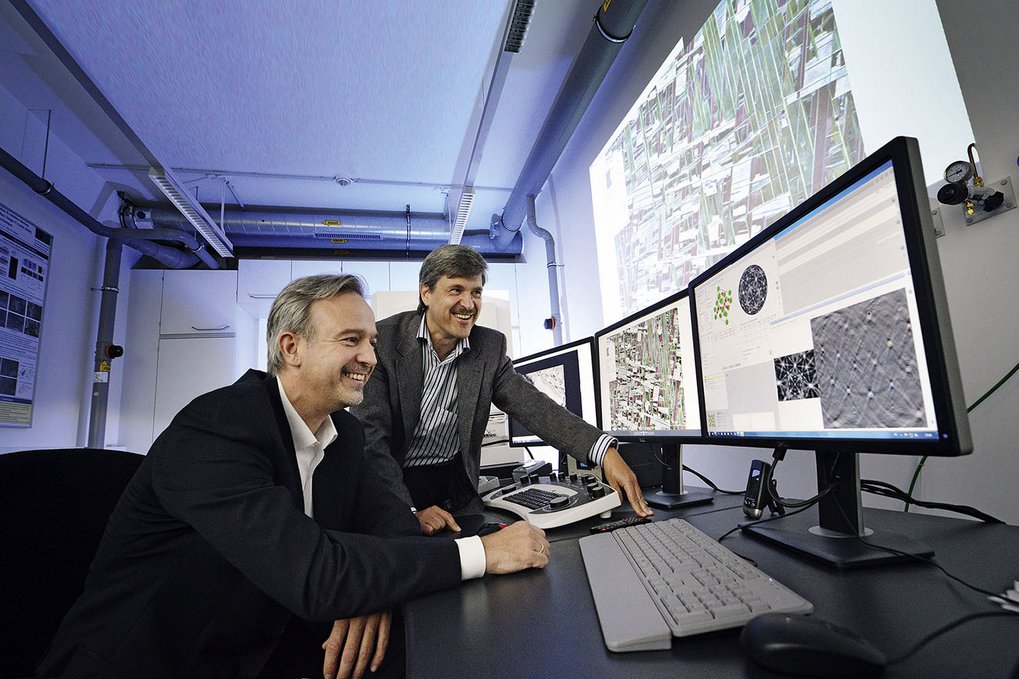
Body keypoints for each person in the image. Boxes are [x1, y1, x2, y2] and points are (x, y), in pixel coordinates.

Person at [35, 274, 549, 679]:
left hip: (261, 644)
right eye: (351, 340)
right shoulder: (216, 429)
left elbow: (391, 520)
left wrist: (369, 594)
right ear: (291, 347)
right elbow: (317, 574)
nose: (370, 358)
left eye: (371, 341)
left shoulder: (343, 435)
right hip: (151, 664)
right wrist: (485, 553)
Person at [351, 245, 652, 536]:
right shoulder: (385, 340)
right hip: (396, 481)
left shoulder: (488, 347)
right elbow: (371, 440)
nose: (468, 304)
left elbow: (535, 408)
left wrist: (604, 451)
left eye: (476, 292)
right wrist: (409, 511)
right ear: (426, 293)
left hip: (456, 488)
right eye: (456, 290)